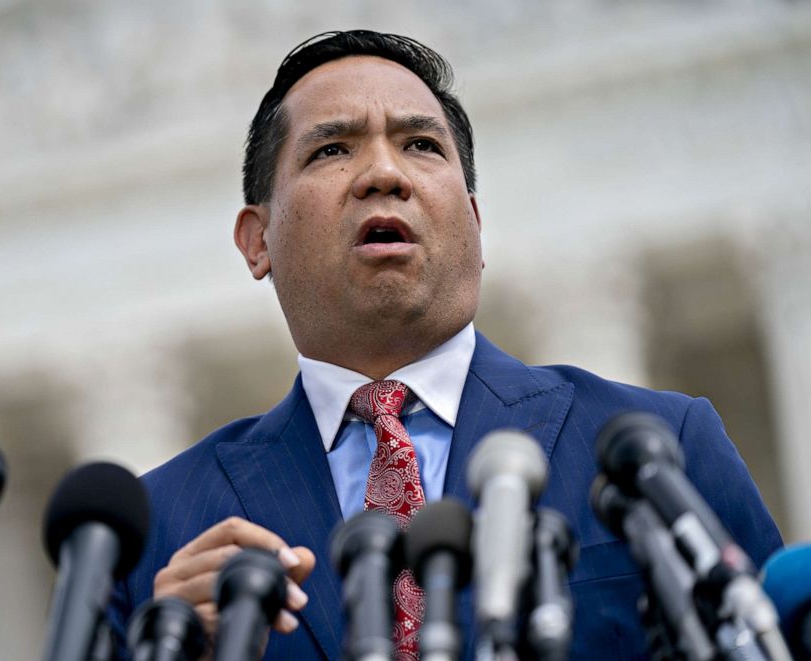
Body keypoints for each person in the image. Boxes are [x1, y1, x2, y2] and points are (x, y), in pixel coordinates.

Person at [108, 30, 782, 660]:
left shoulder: (662, 453)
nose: (383, 173)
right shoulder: (153, 535)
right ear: (258, 241)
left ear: (476, 223)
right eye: (331, 149)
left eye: (421, 145)